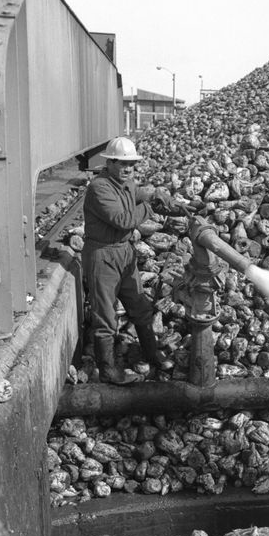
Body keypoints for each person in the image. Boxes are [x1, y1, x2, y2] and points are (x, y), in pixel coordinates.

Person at [82, 136, 179, 384]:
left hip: (124, 251)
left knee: (139, 306)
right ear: (110, 163)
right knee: (105, 315)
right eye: (122, 164)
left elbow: (139, 192)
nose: (127, 169)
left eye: (131, 164)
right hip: (102, 254)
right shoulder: (100, 187)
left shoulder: (125, 182)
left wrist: (157, 193)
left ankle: (151, 352)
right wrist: (150, 206)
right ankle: (108, 371)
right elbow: (124, 220)